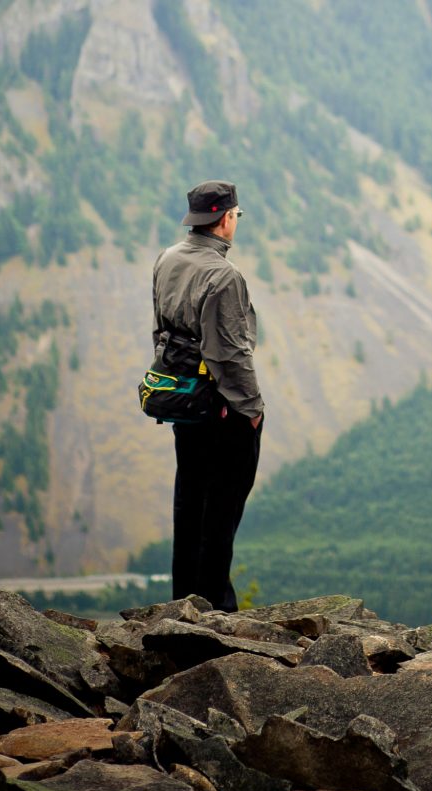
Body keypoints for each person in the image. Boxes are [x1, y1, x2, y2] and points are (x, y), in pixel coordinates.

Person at [151, 180, 264, 612]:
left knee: (190, 501)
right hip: (222, 406)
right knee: (220, 511)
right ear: (225, 219)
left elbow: (160, 330)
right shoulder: (223, 276)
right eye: (236, 216)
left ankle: (184, 605)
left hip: (184, 400)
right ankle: (217, 612)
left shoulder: (167, 259)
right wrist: (251, 410)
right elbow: (230, 353)